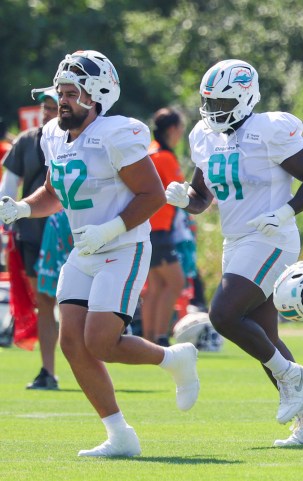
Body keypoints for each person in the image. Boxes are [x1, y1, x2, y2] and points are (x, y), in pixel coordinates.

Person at [0, 50, 199, 457]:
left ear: (97, 94)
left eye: (71, 92)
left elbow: (153, 194)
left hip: (122, 248)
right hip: (85, 250)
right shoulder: (54, 135)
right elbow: (55, 193)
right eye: (61, 92)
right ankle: (119, 435)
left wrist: (109, 228)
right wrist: (22, 207)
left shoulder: (116, 133)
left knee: (100, 342)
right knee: (72, 342)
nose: (62, 101)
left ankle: (173, 358)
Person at [165, 59, 303, 447]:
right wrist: (182, 199)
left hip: (271, 237)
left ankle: (291, 375)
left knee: (223, 314)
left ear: (245, 98)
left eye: (222, 102)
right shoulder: (204, 136)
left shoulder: (268, 130)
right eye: (209, 102)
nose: (214, 110)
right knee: (264, 335)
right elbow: (202, 197)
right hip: (236, 240)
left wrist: (286, 211)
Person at [0, 89, 59, 389]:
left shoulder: (82, 139)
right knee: (46, 302)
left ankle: (93, 364)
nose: (48, 112)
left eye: (54, 107)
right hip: (33, 234)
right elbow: (7, 188)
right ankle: (48, 370)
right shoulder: (27, 140)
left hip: (75, 235)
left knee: (83, 306)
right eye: (45, 107)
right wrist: (6, 217)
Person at [141, 107, 187, 346]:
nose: (181, 134)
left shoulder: (150, 151)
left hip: (147, 228)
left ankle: (149, 339)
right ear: (171, 129)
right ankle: (159, 337)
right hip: (158, 229)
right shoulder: (164, 157)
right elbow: (180, 189)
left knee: (157, 286)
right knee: (176, 282)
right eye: (180, 129)